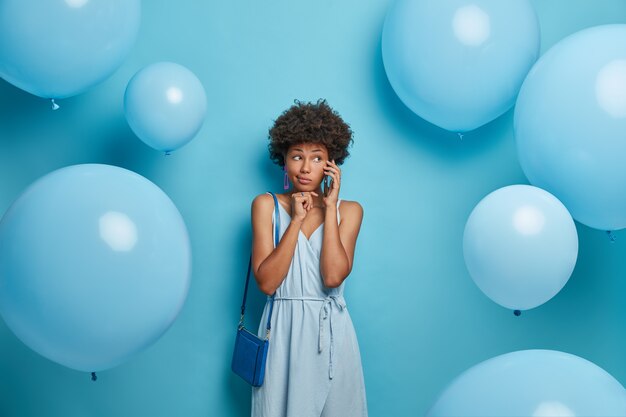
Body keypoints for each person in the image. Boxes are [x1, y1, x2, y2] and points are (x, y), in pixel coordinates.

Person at [250, 99, 368, 417]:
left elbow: (332, 277)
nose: (305, 168)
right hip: (282, 332)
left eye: (317, 158)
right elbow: (268, 282)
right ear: (284, 160)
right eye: (297, 156)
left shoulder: (349, 211)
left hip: (332, 332)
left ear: (331, 163)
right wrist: (297, 220)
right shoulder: (266, 205)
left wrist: (329, 209)